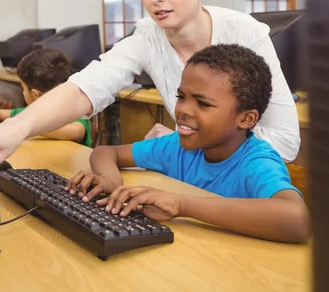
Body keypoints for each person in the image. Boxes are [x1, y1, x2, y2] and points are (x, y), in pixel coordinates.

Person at [0, 0, 300, 165]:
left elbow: (286, 143)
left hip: (244, 182)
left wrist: (183, 142)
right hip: (195, 178)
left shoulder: (245, 32)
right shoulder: (147, 36)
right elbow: (85, 88)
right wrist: (16, 129)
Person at [66, 44, 310, 243]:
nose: (182, 110)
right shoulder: (177, 147)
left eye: (202, 104)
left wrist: (179, 204)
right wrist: (110, 180)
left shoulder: (256, 162)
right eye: (181, 97)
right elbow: (106, 152)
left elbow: (297, 220)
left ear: (246, 119)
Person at [0, 49, 92, 147]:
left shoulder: (75, 112)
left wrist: (25, 127)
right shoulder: (30, 115)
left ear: (36, 94)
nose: (23, 93)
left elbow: (77, 132)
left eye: (23, 89)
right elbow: (0, 114)